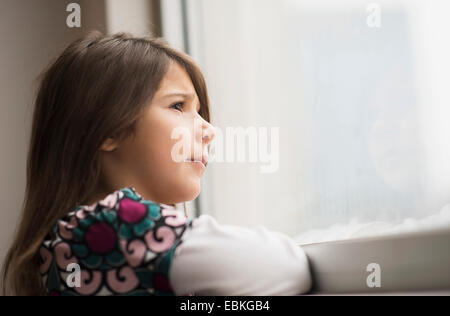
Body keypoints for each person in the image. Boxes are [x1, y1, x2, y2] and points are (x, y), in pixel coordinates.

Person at [1, 31, 312, 296]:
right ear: (109, 130)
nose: (209, 130)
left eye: (199, 111)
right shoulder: (113, 227)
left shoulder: (61, 244)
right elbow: (288, 266)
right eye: (179, 105)